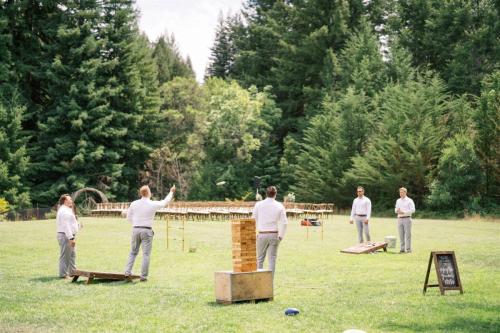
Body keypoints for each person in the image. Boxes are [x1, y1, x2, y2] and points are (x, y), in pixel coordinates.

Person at [124, 185, 176, 281]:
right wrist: (171, 192)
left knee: (133, 252)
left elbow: (128, 217)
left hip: (135, 229)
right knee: (146, 254)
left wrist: (136, 223)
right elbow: (165, 202)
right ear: (149, 193)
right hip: (146, 230)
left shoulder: (134, 203)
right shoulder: (152, 204)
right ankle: (143, 276)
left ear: (141, 193)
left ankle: (127, 272)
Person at [252, 186, 288, 275]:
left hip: (262, 234)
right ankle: (269, 284)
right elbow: (285, 223)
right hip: (274, 234)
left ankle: (258, 281)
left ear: (266, 194)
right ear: (275, 194)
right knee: (272, 260)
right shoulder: (279, 205)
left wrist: (255, 233)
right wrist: (281, 236)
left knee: (259, 259)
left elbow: (253, 219)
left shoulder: (258, 205)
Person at [56, 194, 80, 278]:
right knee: (65, 256)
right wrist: (71, 238)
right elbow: (66, 226)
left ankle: (73, 272)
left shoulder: (67, 209)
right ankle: (63, 274)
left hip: (68, 235)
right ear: (65, 201)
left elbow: (70, 223)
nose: (72, 201)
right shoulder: (64, 211)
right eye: (70, 199)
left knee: (72, 255)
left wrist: (78, 226)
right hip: (65, 236)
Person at [395, 187, 415, 253]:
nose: (400, 193)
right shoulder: (398, 200)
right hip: (399, 219)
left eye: (402, 192)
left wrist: (404, 212)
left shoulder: (409, 200)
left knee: (408, 235)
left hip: (407, 218)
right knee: (401, 234)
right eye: (400, 192)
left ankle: (408, 249)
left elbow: (413, 210)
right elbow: (396, 209)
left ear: (405, 192)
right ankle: (402, 249)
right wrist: (397, 211)